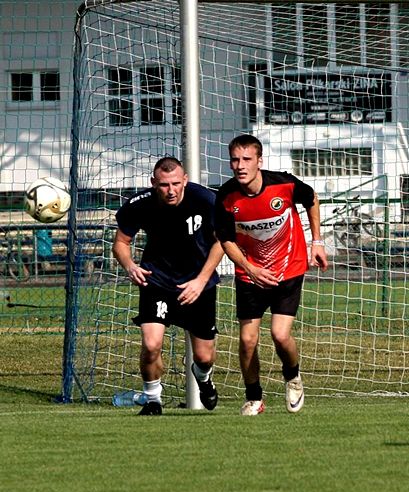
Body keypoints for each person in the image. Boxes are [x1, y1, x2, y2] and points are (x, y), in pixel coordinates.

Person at [214, 134, 328, 416]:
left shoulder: (283, 184)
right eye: (235, 160)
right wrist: (250, 269)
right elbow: (226, 240)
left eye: (246, 159)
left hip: (289, 267)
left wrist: (317, 241)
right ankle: (254, 398)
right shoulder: (226, 197)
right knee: (247, 340)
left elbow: (311, 198)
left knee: (279, 334)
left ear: (259, 161)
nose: (240, 165)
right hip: (250, 274)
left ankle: (293, 378)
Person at [113, 156, 224, 416]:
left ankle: (203, 377)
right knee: (151, 345)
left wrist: (200, 280)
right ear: (154, 183)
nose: (170, 190)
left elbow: (222, 243)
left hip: (198, 285)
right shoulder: (139, 205)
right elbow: (120, 243)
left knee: (205, 357)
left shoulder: (206, 200)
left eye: (175, 183)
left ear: (185, 180)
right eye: (163, 185)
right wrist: (129, 265)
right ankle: (153, 400)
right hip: (157, 282)